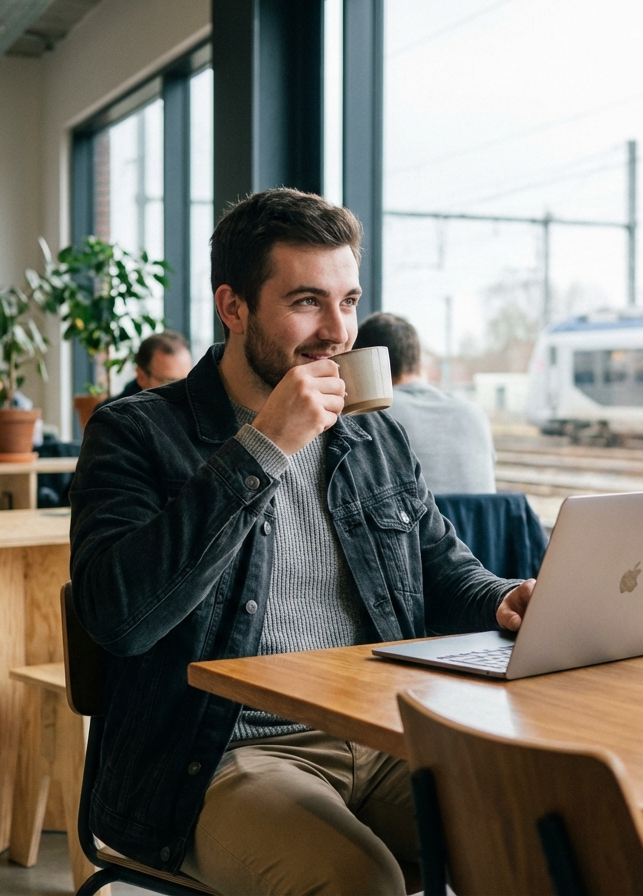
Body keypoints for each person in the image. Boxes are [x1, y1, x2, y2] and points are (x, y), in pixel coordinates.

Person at [69, 187, 535, 895]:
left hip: (380, 736)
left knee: (544, 841)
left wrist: (503, 600)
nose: (337, 331)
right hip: (217, 754)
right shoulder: (135, 432)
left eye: (347, 302)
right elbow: (119, 617)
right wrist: (264, 447)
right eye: (307, 302)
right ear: (234, 307)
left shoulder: (372, 432)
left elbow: (441, 569)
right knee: (360, 883)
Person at [354, 312, 497, 494]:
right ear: (417, 360)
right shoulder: (474, 413)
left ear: (364, 364)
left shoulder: (373, 418)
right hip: (479, 523)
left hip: (420, 523)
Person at [107, 330, 195, 403]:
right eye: (171, 383)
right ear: (141, 377)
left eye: (186, 382)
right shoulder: (113, 418)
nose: (183, 393)